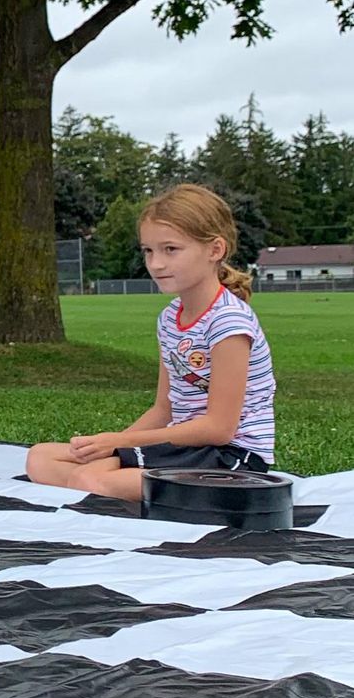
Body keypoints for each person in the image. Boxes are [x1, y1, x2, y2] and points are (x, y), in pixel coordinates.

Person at [26, 183, 275, 503]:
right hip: (185, 449)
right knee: (40, 457)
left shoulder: (228, 323)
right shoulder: (171, 318)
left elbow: (219, 429)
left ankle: (195, 496)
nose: (156, 263)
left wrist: (117, 443)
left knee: (91, 478)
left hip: (231, 459)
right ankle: (143, 492)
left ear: (215, 250)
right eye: (148, 250)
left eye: (171, 249)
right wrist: (113, 444)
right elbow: (163, 409)